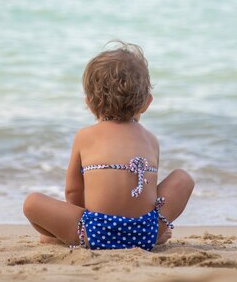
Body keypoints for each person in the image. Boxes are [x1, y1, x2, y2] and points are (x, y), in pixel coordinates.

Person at [23, 41, 194, 250]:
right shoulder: (151, 139)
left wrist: (76, 222)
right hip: (144, 233)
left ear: (89, 102)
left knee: (31, 203)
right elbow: (149, 196)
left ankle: (65, 237)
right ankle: (158, 232)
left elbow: (73, 190)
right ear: (147, 102)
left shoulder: (85, 137)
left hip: (96, 233)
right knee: (183, 179)